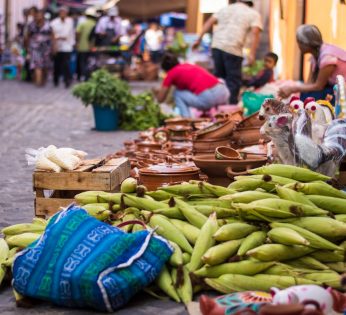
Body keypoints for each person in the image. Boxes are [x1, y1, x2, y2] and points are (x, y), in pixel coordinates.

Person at [192, 0, 262, 104]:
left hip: (217, 46)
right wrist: (252, 54)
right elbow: (255, 33)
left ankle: (217, 106)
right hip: (233, 48)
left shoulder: (225, 9)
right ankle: (229, 110)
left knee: (219, 79)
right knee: (233, 80)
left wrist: (198, 39)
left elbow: (209, 22)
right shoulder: (253, 13)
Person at [278, 24, 346, 104]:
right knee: (306, 94)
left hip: (342, 91)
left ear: (305, 43)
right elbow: (309, 84)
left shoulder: (327, 57)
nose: (298, 45)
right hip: (334, 88)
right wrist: (290, 88)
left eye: (299, 42)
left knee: (313, 97)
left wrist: (293, 88)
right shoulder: (316, 55)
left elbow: (318, 86)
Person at [154, 52, 230, 117]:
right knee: (185, 91)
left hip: (209, 98)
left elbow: (160, 99)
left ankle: (187, 120)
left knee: (177, 93)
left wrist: (154, 98)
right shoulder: (187, 65)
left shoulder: (171, 73)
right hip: (223, 92)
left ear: (165, 69)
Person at [26, 9, 53, 86]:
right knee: (37, 65)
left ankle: (43, 79)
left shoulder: (48, 25)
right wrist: (27, 48)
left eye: (40, 15)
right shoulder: (31, 25)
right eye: (37, 16)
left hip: (46, 48)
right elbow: (28, 36)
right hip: (35, 48)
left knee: (45, 65)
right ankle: (38, 81)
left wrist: (54, 46)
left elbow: (52, 36)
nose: (38, 17)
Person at [51, 6, 75, 88]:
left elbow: (67, 34)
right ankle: (56, 80)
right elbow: (53, 35)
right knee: (56, 65)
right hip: (57, 46)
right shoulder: (54, 22)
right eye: (61, 12)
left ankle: (67, 80)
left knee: (66, 64)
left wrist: (59, 36)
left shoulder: (70, 21)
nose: (63, 14)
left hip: (67, 46)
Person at [76, 7, 97, 81]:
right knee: (90, 62)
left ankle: (84, 76)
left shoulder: (83, 23)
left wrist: (77, 42)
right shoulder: (95, 24)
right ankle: (88, 76)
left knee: (83, 62)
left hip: (82, 46)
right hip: (93, 47)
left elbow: (77, 33)